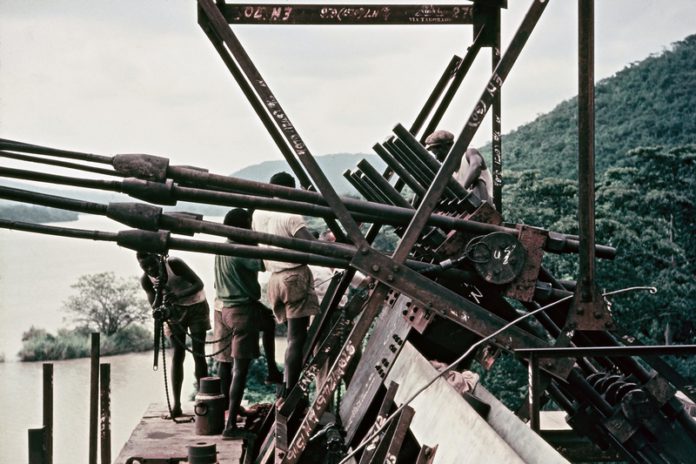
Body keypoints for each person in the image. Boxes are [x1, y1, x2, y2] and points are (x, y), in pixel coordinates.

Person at [213, 208, 282, 439]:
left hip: (226, 308)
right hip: (241, 312)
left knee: (269, 321)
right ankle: (230, 426)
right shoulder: (241, 251)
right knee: (240, 371)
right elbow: (263, 263)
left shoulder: (223, 246)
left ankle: (272, 369)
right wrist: (257, 237)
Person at [252, 172, 320, 395]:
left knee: (292, 337)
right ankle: (291, 388)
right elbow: (311, 245)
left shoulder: (259, 213)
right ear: (290, 191)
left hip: (274, 280)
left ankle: (288, 384)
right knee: (296, 338)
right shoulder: (291, 215)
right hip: (293, 277)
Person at [137, 252, 210, 418]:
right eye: (145, 267)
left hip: (196, 306)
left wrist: (177, 295)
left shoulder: (174, 264)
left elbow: (199, 284)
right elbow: (154, 307)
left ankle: (204, 402)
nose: (150, 269)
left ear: (159, 258)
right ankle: (176, 406)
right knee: (178, 354)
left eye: (153, 265)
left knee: (199, 354)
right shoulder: (146, 280)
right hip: (174, 312)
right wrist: (159, 291)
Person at [424, 129, 495, 206]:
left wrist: (460, 190)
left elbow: (476, 167)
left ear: (448, 147)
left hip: (484, 202)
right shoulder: (449, 170)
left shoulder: (470, 153)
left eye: (438, 153)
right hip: (467, 205)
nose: (437, 158)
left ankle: (483, 210)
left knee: (478, 182)